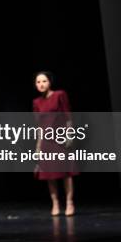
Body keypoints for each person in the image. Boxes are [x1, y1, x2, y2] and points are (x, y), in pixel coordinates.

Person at [32, 71, 79, 216]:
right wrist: (38, 147)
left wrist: (69, 136)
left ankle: (70, 202)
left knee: (66, 172)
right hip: (46, 142)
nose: (41, 84)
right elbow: (39, 126)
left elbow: (68, 116)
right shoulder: (36, 102)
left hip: (60, 139)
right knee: (49, 174)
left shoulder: (59, 95)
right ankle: (55, 203)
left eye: (44, 81)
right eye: (38, 82)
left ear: (50, 82)